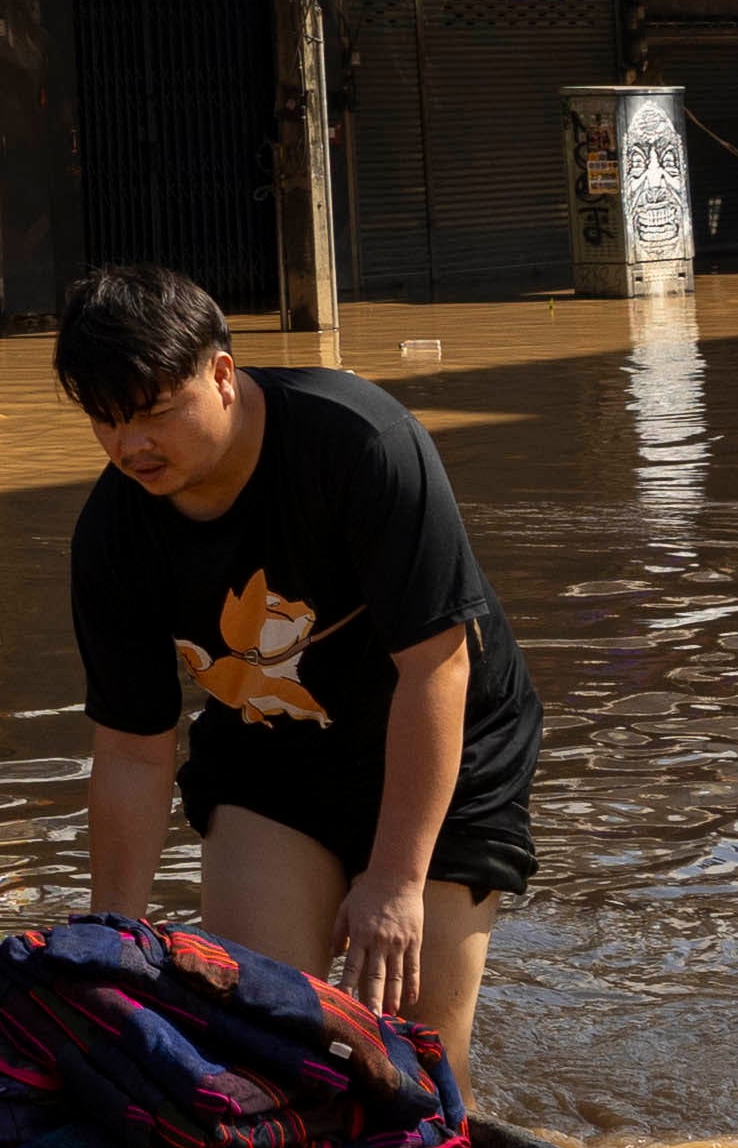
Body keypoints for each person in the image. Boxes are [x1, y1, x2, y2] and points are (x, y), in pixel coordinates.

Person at [56, 259, 540, 1058]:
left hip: (445, 745)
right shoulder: (112, 534)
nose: (130, 446)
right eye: (105, 422)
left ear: (220, 374)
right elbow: (132, 751)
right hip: (270, 759)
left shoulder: (359, 442)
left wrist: (393, 881)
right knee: (262, 1045)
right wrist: (114, 939)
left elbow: (436, 667)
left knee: (415, 1065)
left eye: (154, 414)